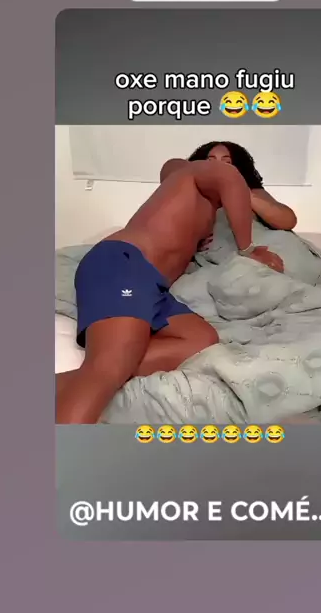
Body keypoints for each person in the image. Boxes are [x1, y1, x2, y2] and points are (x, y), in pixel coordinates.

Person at [56, 158, 284, 425]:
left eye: (228, 160)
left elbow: (286, 217)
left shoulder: (202, 210)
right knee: (109, 366)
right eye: (212, 158)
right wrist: (248, 249)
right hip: (125, 263)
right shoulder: (187, 175)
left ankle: (74, 382)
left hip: (152, 286)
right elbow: (197, 172)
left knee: (200, 339)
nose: (220, 165)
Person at [188, 141, 297, 249]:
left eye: (227, 163)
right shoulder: (191, 194)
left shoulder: (252, 192)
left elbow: (288, 221)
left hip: (262, 247)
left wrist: (242, 192)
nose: (219, 168)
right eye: (211, 161)